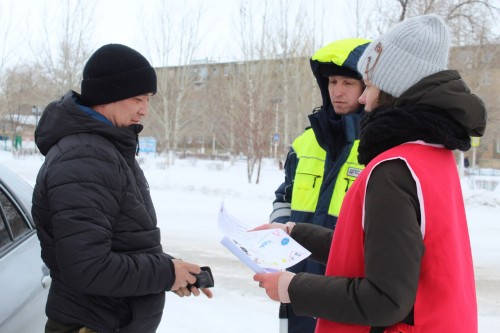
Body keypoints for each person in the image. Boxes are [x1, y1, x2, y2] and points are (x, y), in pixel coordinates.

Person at [254, 14, 485, 332]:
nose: (362, 98)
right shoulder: (432, 156)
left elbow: (386, 300)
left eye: (370, 85)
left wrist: (291, 287)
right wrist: (295, 233)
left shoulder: (393, 170)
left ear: (394, 90)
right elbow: (378, 249)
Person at [32, 44, 212, 333]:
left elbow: (122, 240)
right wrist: (165, 273)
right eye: (138, 98)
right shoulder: (84, 158)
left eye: (149, 99)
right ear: (107, 96)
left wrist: (173, 271)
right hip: (92, 324)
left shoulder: (105, 148)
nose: (145, 110)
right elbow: (88, 267)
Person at [269, 38, 370, 333]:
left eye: (348, 83)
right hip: (297, 279)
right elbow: (284, 196)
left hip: (346, 284)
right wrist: (279, 233)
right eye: (332, 82)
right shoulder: (306, 141)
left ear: (367, 86)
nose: (337, 91)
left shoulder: (378, 145)